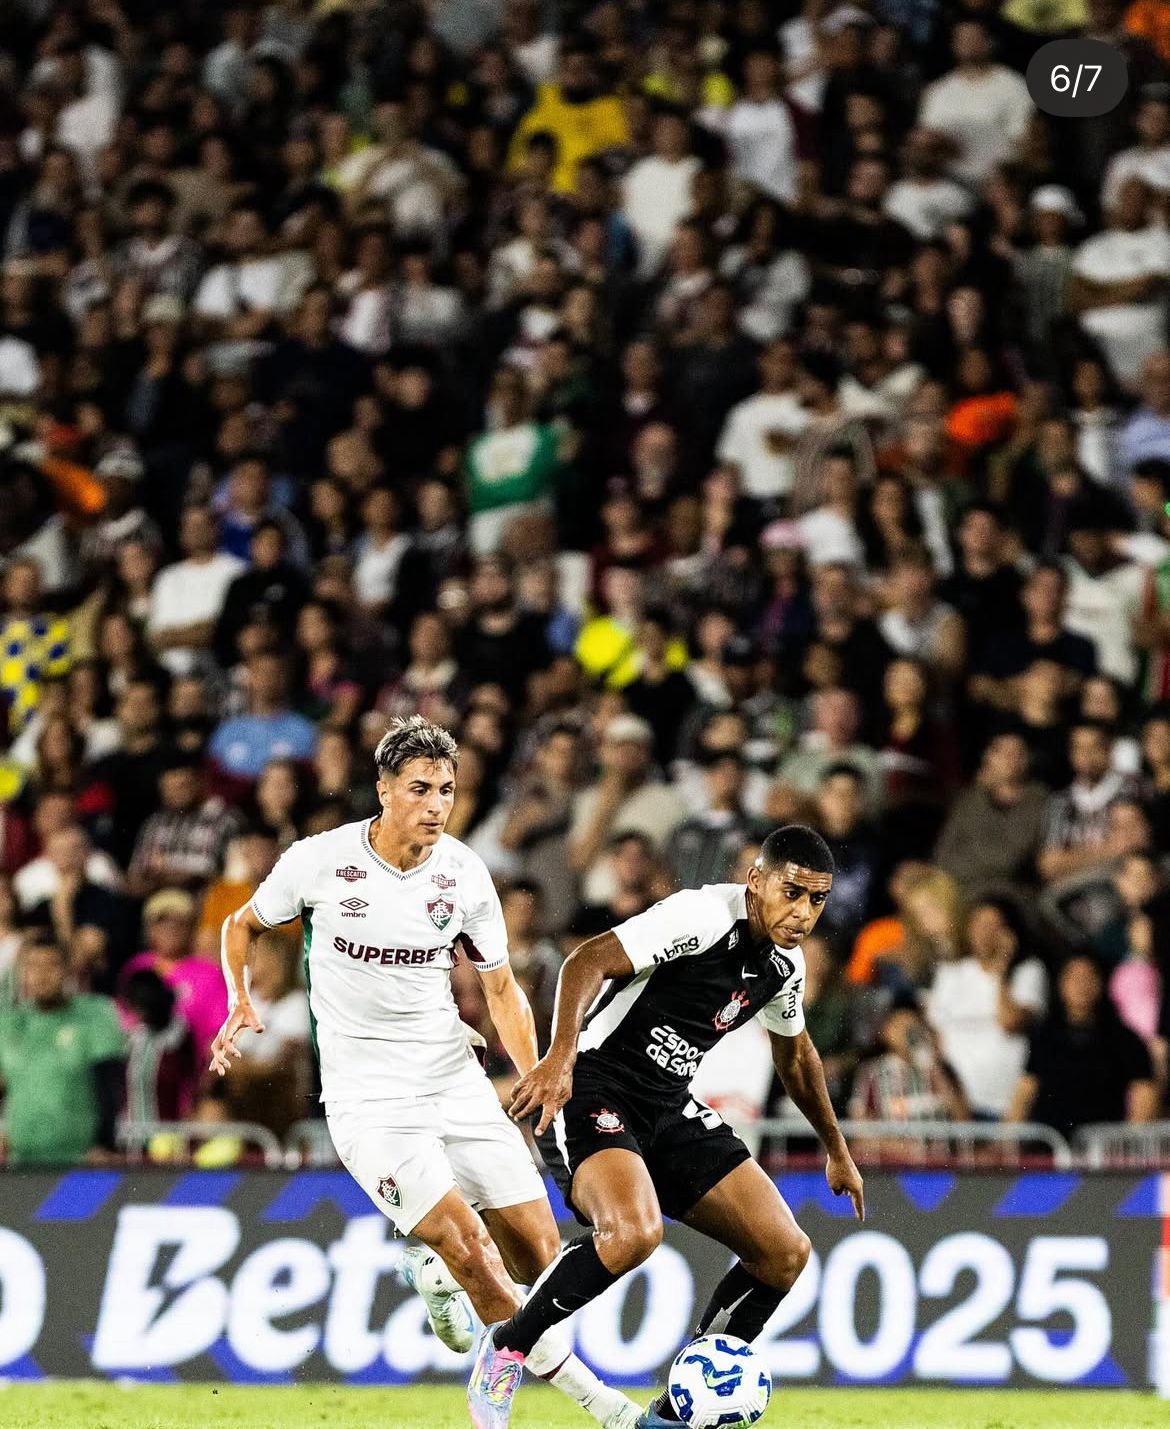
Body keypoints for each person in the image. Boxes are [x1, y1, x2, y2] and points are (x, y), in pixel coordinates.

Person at [210, 714, 640, 1429]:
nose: (436, 803)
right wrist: (240, 997)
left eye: (446, 788)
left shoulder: (464, 873)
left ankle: (435, 1273)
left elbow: (500, 987)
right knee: (470, 1245)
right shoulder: (320, 860)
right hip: (367, 1097)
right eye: (420, 787)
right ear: (383, 789)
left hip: (451, 1074)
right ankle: (609, 1409)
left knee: (539, 1253)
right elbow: (241, 924)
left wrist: (535, 1076)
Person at [473, 826, 864, 1429]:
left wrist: (838, 1151)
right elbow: (587, 961)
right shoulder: (701, 915)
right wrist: (559, 1058)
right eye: (792, 892)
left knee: (784, 1253)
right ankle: (507, 1348)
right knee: (632, 1233)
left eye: (817, 899)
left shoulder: (782, 969)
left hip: (667, 1106)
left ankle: (675, 1413)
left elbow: (797, 1058)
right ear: (755, 882)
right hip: (593, 1087)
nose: (803, 912)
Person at [0, 938, 126, 1166]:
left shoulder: (94, 1015)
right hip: (20, 1162)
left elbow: (110, 1085)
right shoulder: (9, 1024)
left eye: (51, 965)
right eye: (33, 966)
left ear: (67, 970)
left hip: (81, 1160)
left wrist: (105, 1143)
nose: (42, 975)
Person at [1007, 953, 1158, 1138]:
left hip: (1105, 1152)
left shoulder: (1124, 1039)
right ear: (1061, 984)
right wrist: (1005, 1143)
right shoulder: (1044, 1037)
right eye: (1074, 977)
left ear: (1101, 983)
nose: (1081, 985)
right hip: (1053, 1150)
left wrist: (1129, 1147)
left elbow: (1144, 1092)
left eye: (1088, 977)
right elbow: (1026, 1090)